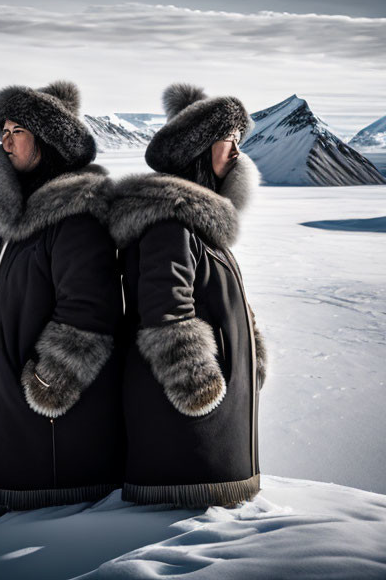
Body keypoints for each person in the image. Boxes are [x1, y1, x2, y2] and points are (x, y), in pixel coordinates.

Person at [0, 80, 123, 519]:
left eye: (17, 131)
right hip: (11, 408)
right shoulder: (15, 218)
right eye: (3, 131)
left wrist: (49, 382)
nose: (5, 142)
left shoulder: (77, 216)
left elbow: (89, 311)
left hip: (53, 436)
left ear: (46, 141)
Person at [109, 83, 267, 508]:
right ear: (199, 150)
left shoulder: (198, 224)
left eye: (239, 141)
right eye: (228, 140)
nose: (236, 152)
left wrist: (250, 351)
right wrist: (196, 381)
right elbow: (167, 310)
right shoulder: (171, 224)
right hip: (185, 424)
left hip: (200, 417)